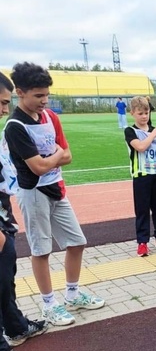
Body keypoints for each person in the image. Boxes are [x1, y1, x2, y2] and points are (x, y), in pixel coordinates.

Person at [4, 62, 105, 327]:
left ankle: (72, 293)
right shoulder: (15, 126)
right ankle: (49, 304)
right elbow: (37, 167)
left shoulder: (50, 117)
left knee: (77, 242)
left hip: (57, 190)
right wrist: (56, 156)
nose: (44, 101)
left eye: (46, 95)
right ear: (20, 92)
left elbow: (68, 156)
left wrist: (54, 158)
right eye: (38, 96)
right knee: (41, 250)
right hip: (33, 193)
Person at [0, 72, 46, 351]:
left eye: (6, 103)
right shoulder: (14, 126)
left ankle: (15, 327)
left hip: (3, 214)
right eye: (1, 103)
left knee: (6, 277)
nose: (5, 109)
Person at [124, 96, 156, 257]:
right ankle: (142, 242)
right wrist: (152, 134)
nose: (144, 116)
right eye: (140, 113)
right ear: (132, 113)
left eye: (146, 112)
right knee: (142, 210)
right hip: (142, 176)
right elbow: (140, 147)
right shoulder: (131, 131)